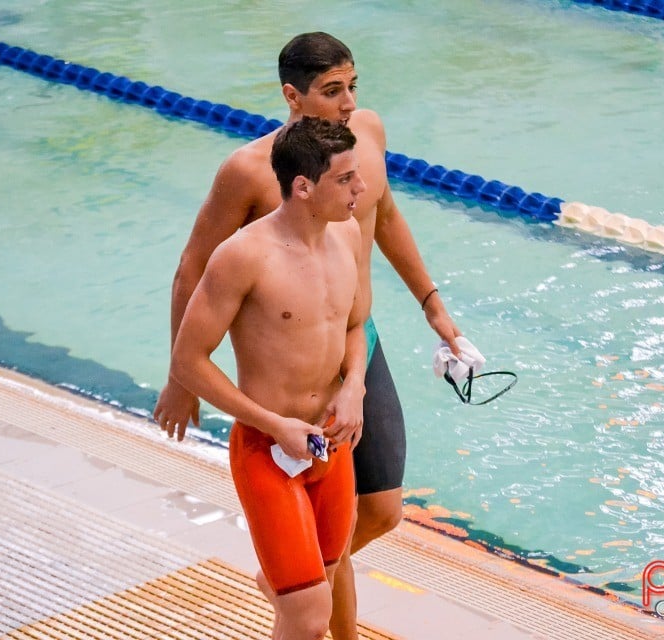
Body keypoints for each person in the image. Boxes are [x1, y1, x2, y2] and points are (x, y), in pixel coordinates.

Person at [154, 32, 463, 639]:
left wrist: (431, 308)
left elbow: (386, 223)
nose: (348, 103)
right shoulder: (250, 180)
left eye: (353, 86)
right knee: (306, 609)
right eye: (331, 91)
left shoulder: (361, 153)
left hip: (350, 345)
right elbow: (193, 270)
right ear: (293, 97)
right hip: (278, 407)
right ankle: (305, 598)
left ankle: (297, 583)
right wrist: (179, 378)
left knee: (379, 513)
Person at [169, 116, 368, 639]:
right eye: (345, 179)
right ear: (303, 187)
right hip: (268, 450)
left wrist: (354, 388)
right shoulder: (243, 256)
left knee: (317, 589)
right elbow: (188, 361)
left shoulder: (348, 236)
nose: (361, 188)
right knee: (307, 616)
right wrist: (273, 423)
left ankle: (285, 583)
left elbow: (355, 323)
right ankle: (288, 590)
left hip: (333, 441)